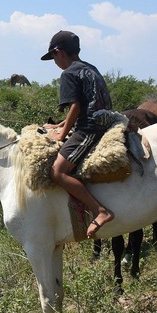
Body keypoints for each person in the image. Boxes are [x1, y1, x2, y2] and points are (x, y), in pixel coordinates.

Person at [40, 30, 114, 238]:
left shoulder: (69, 73)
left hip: (91, 127)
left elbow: (75, 106)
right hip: (104, 118)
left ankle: (101, 211)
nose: (55, 62)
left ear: (59, 52)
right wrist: (61, 124)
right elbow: (85, 103)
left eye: (53, 57)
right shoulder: (90, 68)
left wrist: (62, 134)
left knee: (58, 172)